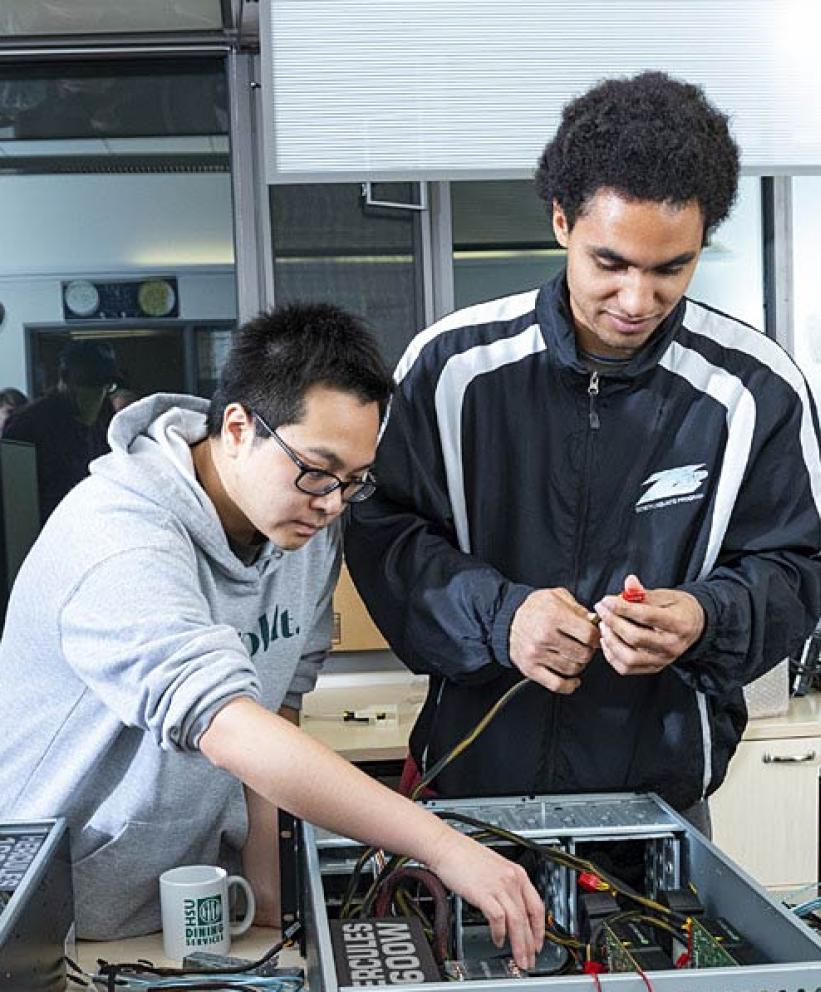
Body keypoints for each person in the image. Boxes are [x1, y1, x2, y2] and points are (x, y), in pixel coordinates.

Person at [345, 72, 821, 828]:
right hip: (473, 804)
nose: (637, 300)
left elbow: (800, 566)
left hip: (662, 807)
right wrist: (502, 619)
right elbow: (385, 539)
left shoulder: (754, 391)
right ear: (560, 223)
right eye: (610, 263)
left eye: (670, 268)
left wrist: (707, 617)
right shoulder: (452, 370)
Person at [0, 303, 544, 966]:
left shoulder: (305, 529)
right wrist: (441, 843)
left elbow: (275, 701)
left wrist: (269, 874)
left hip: (186, 905)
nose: (332, 503)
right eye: (316, 471)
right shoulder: (117, 537)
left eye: (354, 481)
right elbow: (229, 724)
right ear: (238, 426)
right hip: (50, 923)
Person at [3, 340, 118, 519]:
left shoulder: (106, 415)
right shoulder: (28, 423)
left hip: (95, 519)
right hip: (47, 527)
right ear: (64, 377)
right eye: (86, 382)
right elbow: (14, 497)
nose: (95, 394)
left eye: (104, 385)